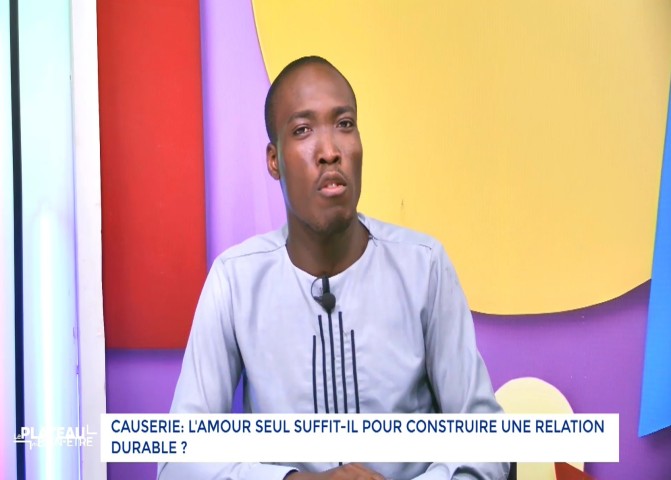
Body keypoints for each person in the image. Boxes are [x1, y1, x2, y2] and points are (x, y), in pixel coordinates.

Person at [157, 56, 509, 480]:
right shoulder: (235, 281)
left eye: (344, 124)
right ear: (274, 160)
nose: (329, 152)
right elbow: (179, 462)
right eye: (303, 130)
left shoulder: (423, 266)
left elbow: (488, 445)